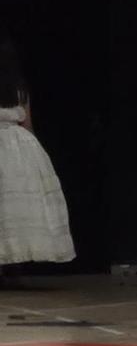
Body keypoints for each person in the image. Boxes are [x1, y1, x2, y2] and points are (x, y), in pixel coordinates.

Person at [0, 34, 75, 276]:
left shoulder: (18, 86)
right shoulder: (18, 87)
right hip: (20, 144)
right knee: (17, 209)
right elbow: (28, 123)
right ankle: (13, 267)